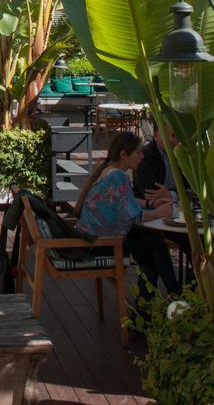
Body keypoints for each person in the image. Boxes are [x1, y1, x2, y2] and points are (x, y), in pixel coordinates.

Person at [76, 132, 181, 303]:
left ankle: (152, 307)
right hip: (104, 244)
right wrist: (160, 213)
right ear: (124, 155)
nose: (142, 156)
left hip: (94, 240)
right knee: (154, 246)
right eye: (138, 152)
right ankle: (174, 294)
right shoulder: (119, 176)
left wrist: (150, 204)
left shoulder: (109, 171)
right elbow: (134, 218)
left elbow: (126, 200)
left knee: (152, 246)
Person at [134, 124, 179, 209]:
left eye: (174, 135)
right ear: (154, 135)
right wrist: (176, 194)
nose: (170, 140)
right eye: (165, 135)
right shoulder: (144, 156)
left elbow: (190, 188)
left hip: (179, 207)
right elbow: (151, 193)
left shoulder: (183, 155)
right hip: (148, 209)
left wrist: (170, 194)